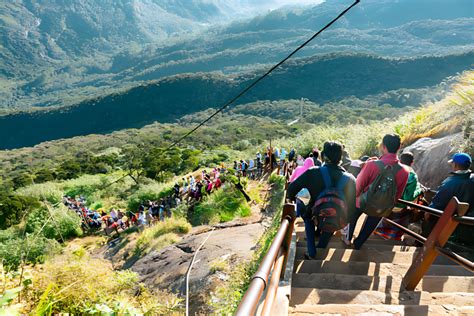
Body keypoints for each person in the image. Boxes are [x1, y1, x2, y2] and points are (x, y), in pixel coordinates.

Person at [287, 141, 356, 259]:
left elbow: (291, 189)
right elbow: (352, 207)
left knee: (307, 213)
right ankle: (322, 245)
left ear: (323, 156)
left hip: (314, 214)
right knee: (333, 213)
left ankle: (311, 251)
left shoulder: (312, 172)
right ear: (341, 157)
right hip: (336, 219)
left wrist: (301, 199)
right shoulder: (350, 179)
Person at [347, 134, 409, 249]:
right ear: (399, 147)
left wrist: (355, 198)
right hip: (382, 206)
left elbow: (359, 185)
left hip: (362, 202)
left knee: (352, 217)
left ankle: (348, 238)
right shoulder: (405, 171)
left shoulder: (371, 165)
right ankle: (358, 244)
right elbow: (398, 194)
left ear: (383, 146)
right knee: (369, 226)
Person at [424, 153, 473, 246]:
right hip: (468, 223)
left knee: (429, 220)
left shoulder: (449, 183)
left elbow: (436, 205)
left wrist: (427, 214)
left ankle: (425, 245)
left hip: (451, 224)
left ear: (455, 165)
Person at [374, 152, 423, 240]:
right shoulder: (412, 175)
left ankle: (378, 231)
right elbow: (409, 197)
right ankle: (394, 236)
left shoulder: (393, 169)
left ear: (400, 160)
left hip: (386, 202)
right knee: (407, 210)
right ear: (412, 162)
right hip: (399, 205)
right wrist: (419, 190)